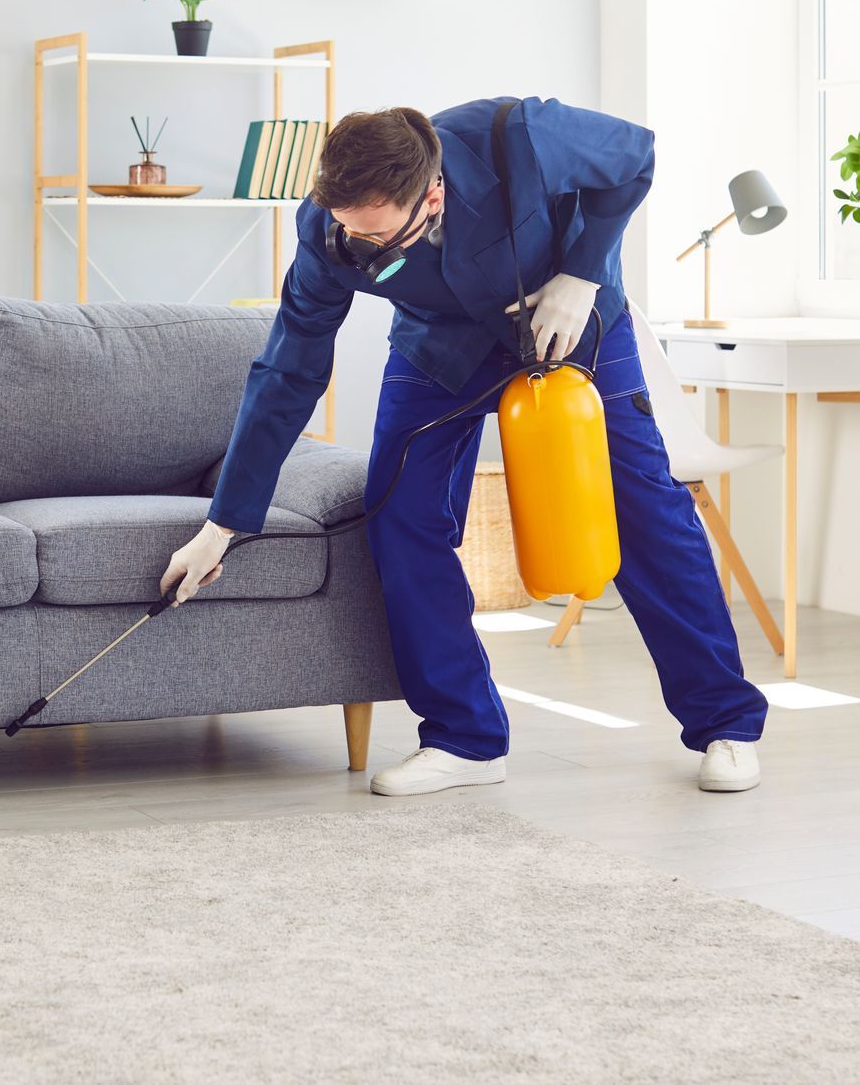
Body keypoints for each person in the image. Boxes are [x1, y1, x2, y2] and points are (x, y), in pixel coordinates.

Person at [161, 97, 769, 796]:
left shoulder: (521, 137)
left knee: (643, 508)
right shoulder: (328, 230)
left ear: (434, 196)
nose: (359, 249)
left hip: (568, 322)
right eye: (349, 232)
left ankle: (727, 722)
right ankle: (465, 737)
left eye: (378, 239)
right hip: (439, 347)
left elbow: (635, 157)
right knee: (399, 514)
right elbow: (288, 369)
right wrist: (226, 523)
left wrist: (585, 269)